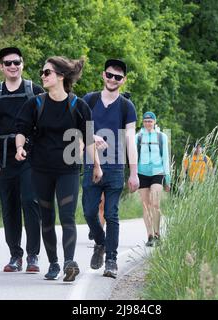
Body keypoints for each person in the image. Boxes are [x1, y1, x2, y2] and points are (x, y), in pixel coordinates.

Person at [15, 56, 102, 282]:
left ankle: (68, 263)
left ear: (61, 76)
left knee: (67, 217)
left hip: (69, 169)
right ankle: (53, 263)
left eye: (47, 73)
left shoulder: (79, 106)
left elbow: (89, 138)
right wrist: (19, 148)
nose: (42, 76)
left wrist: (97, 166)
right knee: (47, 217)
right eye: (42, 73)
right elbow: (22, 129)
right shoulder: (35, 104)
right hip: (41, 169)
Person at [0, 47, 43, 273]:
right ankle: (15, 255)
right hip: (3, 156)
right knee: (9, 206)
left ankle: (33, 256)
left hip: (30, 156)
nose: (12, 66)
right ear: (1, 66)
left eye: (16, 62)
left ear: (22, 64)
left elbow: (45, 122)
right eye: (7, 63)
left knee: (30, 202)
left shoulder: (35, 91)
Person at [82, 58, 139, 279]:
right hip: (91, 164)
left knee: (112, 214)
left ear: (123, 81)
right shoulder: (89, 100)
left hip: (115, 168)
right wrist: (92, 136)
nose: (112, 79)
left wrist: (133, 173)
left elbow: (130, 140)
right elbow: (79, 130)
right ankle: (100, 242)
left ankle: (112, 261)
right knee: (88, 212)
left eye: (117, 77)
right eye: (109, 75)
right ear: (103, 75)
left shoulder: (127, 106)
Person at [136, 111, 171, 247]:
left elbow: (166, 159)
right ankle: (150, 236)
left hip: (158, 172)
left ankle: (158, 234)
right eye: (145, 121)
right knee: (146, 206)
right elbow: (133, 157)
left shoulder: (162, 137)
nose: (148, 123)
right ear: (143, 122)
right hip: (142, 173)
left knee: (155, 204)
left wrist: (167, 179)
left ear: (155, 122)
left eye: (150, 121)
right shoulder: (137, 137)